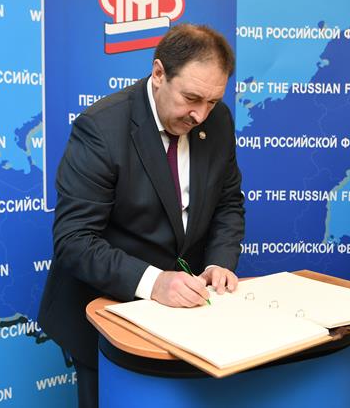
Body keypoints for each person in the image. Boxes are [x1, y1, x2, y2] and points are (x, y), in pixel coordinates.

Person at [38, 23, 245, 407]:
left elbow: (228, 202)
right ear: (159, 73)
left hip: (188, 321)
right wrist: (153, 283)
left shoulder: (218, 121)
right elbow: (74, 241)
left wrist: (219, 261)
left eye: (213, 102)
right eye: (191, 98)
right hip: (106, 315)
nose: (201, 115)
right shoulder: (101, 129)